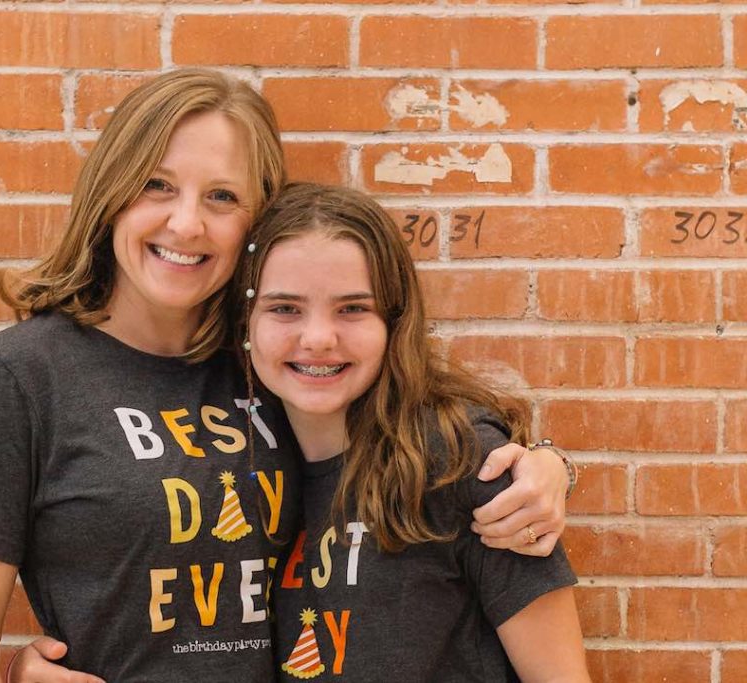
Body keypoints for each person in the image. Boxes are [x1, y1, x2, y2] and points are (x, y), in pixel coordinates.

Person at [0, 69, 573, 683]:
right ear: (110, 192)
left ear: (255, 224)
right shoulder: (18, 379)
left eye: (222, 196)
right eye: (157, 184)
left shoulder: (277, 362)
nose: (186, 222)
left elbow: (420, 420)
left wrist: (547, 465)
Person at [242, 183, 589, 681]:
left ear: (394, 322)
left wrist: (553, 464)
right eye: (284, 308)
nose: (318, 338)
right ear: (247, 322)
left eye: (353, 309)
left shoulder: (459, 459)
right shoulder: (236, 456)